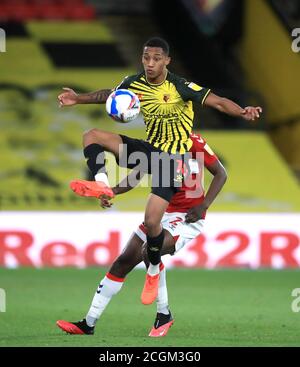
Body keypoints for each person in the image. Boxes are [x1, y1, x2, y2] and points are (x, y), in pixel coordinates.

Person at [57, 36, 262, 304]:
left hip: (171, 161)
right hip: (149, 151)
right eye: (146, 58)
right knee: (92, 135)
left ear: (167, 60)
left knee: (152, 221)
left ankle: (153, 270)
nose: (150, 64)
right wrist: (78, 99)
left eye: (156, 59)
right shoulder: (134, 83)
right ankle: (101, 182)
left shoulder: (180, 86)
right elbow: (110, 95)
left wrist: (242, 111)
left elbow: (219, 102)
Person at [56, 132, 227, 337]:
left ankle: (164, 313)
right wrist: (112, 191)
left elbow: (221, 173)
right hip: (162, 212)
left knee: (149, 251)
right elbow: (136, 176)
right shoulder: (158, 144)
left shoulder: (194, 142)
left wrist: (203, 205)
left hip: (186, 217)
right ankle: (88, 324)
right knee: (123, 261)